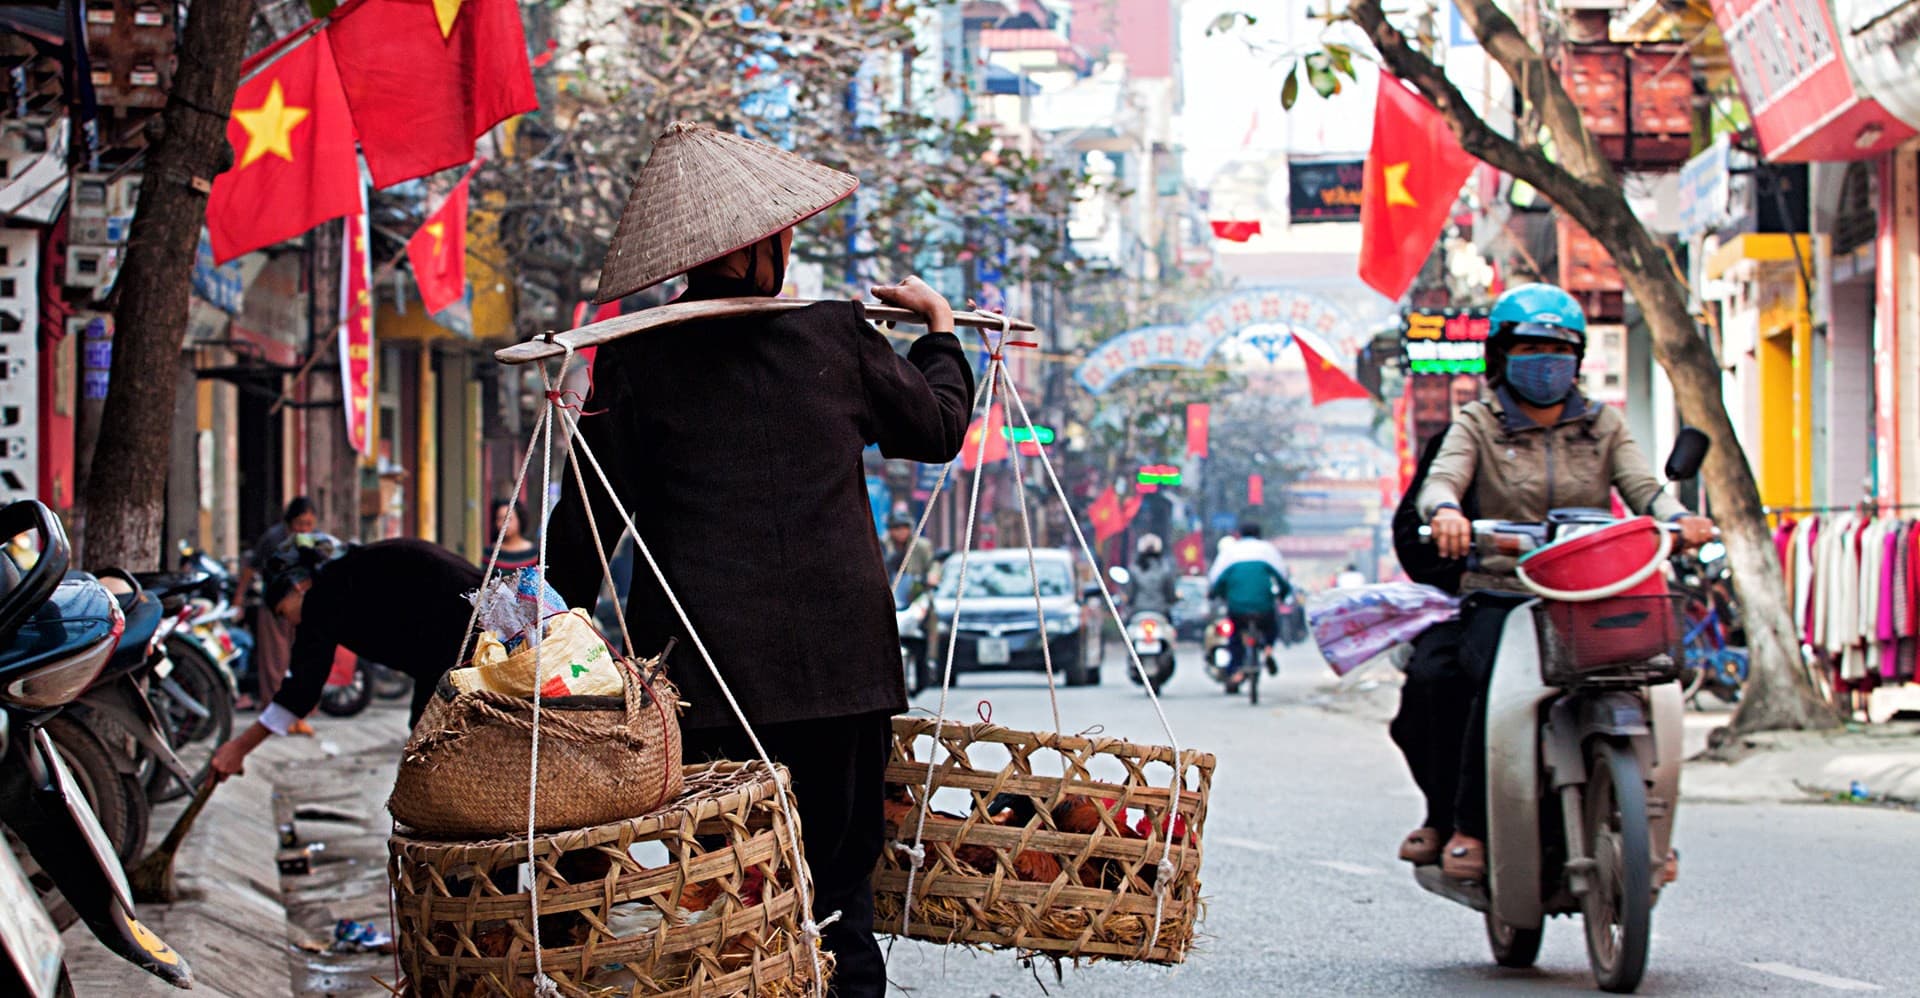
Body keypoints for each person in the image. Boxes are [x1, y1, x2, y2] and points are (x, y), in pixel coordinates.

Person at [547, 123, 974, 998]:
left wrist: (551, 628)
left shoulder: (633, 354)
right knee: (836, 895)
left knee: (729, 894)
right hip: (842, 674)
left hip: (707, 690)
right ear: (760, 248)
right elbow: (936, 428)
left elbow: (587, 520)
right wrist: (938, 328)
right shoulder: (836, 336)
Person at [1410, 283, 1715, 880]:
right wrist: (1446, 513)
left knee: (1651, 681)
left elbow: (1644, 490)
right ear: (1502, 356)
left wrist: (1679, 520)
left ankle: (1652, 831)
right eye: (1529, 347)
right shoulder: (1477, 423)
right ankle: (1469, 824)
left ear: (1576, 359)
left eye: (1557, 348)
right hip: (1505, 590)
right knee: (1479, 684)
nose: (1544, 360)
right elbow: (1442, 481)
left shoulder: (1605, 425)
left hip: (1594, 593)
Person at [210, 538, 484, 780]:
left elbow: (302, 689)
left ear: (299, 586)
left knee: (430, 744)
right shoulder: (343, 575)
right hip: (450, 640)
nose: (290, 623)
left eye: (284, 612)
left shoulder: (322, 595)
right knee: (425, 738)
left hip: (464, 631)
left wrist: (239, 747)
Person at [234, 497, 317, 710]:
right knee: (275, 661)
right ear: (290, 521)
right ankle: (275, 710)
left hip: (300, 607)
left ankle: (298, 711)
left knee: (301, 659)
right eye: (300, 523)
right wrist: (238, 599)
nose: (304, 529)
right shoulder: (274, 538)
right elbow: (250, 568)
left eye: (309, 524)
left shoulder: (311, 541)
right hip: (274, 606)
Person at [1207, 523, 1291, 680]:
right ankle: (1267, 650)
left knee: (1235, 635)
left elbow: (1216, 580)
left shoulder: (1230, 552)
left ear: (1240, 534)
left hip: (1237, 608)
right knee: (1271, 626)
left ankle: (1236, 669)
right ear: (1259, 534)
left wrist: (1214, 594)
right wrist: (1282, 595)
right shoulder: (1268, 550)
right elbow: (1282, 577)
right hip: (1263, 607)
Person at [882, 512, 935, 602]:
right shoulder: (881, 545)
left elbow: (932, 563)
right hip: (891, 591)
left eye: (905, 527)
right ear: (890, 530)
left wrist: (933, 575)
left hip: (918, 591)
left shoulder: (922, 545)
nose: (901, 531)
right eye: (897, 528)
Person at [1128, 534, 1177, 615]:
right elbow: (1170, 594)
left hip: (1139, 611)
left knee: (1126, 626)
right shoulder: (1165, 568)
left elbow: (1131, 594)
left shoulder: (1134, 569)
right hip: (1160, 611)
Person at [488, 498, 540, 572]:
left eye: (509, 519)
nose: (504, 524)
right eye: (499, 519)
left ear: (519, 519)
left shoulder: (534, 554)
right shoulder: (490, 553)